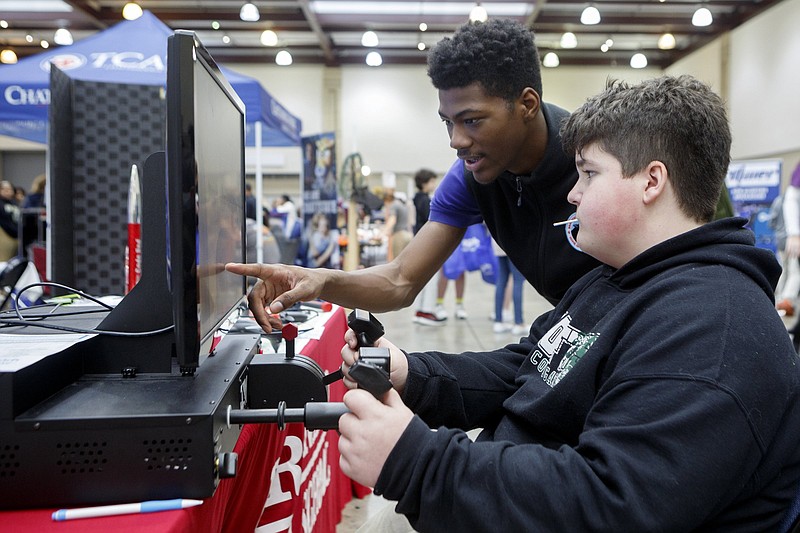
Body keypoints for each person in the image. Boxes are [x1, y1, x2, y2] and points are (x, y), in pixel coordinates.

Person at [336, 75, 800, 531]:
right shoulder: (618, 278)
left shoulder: (712, 327)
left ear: (651, 181)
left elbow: (612, 504)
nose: (572, 193)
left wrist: (416, 461)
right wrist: (413, 373)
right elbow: (531, 367)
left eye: (589, 174)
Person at [226, 19, 599, 331]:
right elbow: (400, 281)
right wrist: (320, 280)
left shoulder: (596, 161)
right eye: (448, 123)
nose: (456, 140)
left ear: (527, 105)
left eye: (471, 121)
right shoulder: (469, 179)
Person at [411, 169, 446, 326]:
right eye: (432, 181)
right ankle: (426, 311)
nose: (434, 184)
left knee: (423, 278)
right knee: (431, 278)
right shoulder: (424, 200)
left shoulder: (417, 199)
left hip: (419, 242)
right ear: (425, 183)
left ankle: (421, 310)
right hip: (427, 243)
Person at [491, 237, 525, 334]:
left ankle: (498, 321)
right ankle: (519, 323)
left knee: (501, 280)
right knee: (518, 281)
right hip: (513, 243)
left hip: (497, 243)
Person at [382, 190, 412, 262]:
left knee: (397, 262)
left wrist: (383, 232)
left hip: (399, 235)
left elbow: (392, 219)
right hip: (407, 235)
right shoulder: (403, 205)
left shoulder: (394, 205)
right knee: (406, 261)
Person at [0, 180, 20, 262]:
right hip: (4, 235)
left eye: (10, 189)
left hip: (15, 235)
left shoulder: (15, 203)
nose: (8, 192)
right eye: (5, 189)